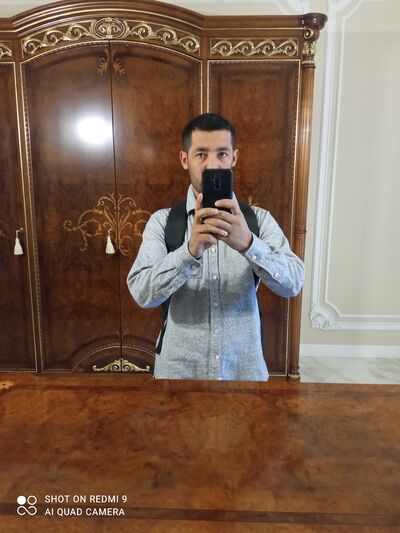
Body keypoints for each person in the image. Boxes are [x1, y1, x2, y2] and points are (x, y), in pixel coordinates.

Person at [127, 113, 304, 380]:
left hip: (243, 374)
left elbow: (293, 283)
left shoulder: (259, 220)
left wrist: (249, 245)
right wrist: (188, 253)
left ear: (234, 158)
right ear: (184, 159)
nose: (212, 164)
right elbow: (142, 294)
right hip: (179, 376)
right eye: (201, 154)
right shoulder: (163, 222)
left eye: (222, 154)